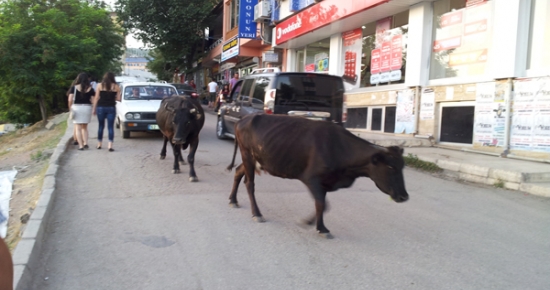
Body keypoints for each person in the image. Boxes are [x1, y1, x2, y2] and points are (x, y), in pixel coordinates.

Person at [93, 72, 120, 152]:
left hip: (101, 107)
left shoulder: (99, 85)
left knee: (101, 126)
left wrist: (94, 108)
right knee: (110, 127)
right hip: (111, 107)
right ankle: (110, 145)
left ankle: (99, 144)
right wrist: (112, 98)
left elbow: (97, 98)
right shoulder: (116, 86)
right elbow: (118, 99)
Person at [69, 72, 95, 150]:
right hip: (87, 108)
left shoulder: (74, 88)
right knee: (85, 128)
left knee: (78, 128)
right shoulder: (90, 88)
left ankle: (80, 145)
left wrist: (70, 108)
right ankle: (86, 143)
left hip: (77, 108)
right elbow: (93, 100)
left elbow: (70, 99)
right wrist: (93, 108)